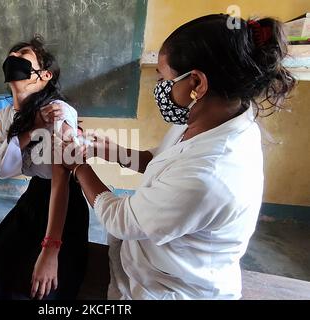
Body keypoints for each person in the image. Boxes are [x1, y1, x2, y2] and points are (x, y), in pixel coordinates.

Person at [59, 15, 296, 300]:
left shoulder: (211, 175)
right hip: (156, 262)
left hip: (173, 287)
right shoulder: (210, 115)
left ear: (197, 82)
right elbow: (162, 161)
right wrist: (111, 151)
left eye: (164, 79)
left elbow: (120, 219)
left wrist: (79, 168)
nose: (159, 88)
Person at [0, 36, 89, 300]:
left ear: (44, 76)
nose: (14, 57)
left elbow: (61, 182)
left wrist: (51, 250)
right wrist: (33, 131)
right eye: (12, 54)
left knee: (37, 290)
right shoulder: (5, 116)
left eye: (23, 53)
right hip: (33, 198)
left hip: (64, 206)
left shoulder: (57, 111)